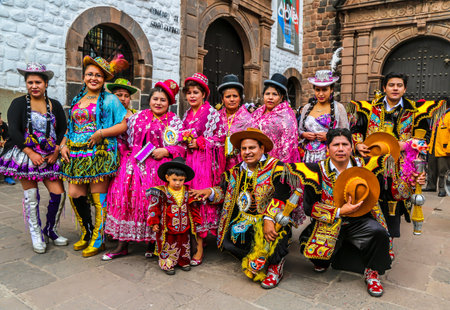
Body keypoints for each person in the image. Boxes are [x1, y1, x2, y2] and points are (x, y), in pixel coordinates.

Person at [284, 128, 424, 297]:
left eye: (345, 144)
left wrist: (411, 180)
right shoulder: (315, 170)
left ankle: (372, 272)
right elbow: (309, 208)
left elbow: (392, 194)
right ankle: (326, 257)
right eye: (336, 145)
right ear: (327, 148)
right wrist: (338, 211)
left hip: (360, 222)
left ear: (352, 147)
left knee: (379, 233)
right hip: (328, 224)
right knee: (317, 257)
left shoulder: (368, 166)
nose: (341, 149)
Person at [190, 128, 299, 289]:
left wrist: (269, 220)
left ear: (262, 149)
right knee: (229, 242)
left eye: (252, 148)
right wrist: (210, 192)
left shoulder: (277, 168)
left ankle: (275, 266)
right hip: (244, 220)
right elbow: (224, 191)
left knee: (274, 237)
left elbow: (281, 197)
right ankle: (255, 258)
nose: (247, 152)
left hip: (270, 220)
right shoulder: (236, 171)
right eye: (244, 149)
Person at [350, 72, 442, 255]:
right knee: (370, 198)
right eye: (391, 85)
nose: (395, 88)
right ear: (384, 87)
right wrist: (358, 143)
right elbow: (356, 130)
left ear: (405, 88)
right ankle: (369, 239)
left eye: (399, 85)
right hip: (372, 163)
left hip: (400, 167)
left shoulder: (416, 111)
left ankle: (388, 242)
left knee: (393, 203)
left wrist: (404, 145)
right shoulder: (369, 108)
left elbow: (423, 141)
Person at [103, 79, 185, 260]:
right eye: (155, 99)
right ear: (149, 100)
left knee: (151, 205)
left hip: (157, 169)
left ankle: (152, 242)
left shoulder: (174, 122)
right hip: (131, 168)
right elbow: (122, 138)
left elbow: (182, 147)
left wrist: (166, 150)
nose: (158, 103)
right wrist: (125, 155)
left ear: (169, 103)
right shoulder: (136, 117)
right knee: (127, 203)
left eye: (163, 100)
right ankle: (121, 244)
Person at [60, 55, 128, 257]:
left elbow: (124, 123)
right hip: (76, 155)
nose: (93, 78)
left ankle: (99, 240)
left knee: (99, 198)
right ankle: (87, 231)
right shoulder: (77, 99)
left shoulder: (111, 99)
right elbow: (71, 127)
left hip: (100, 154)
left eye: (98, 75)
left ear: (104, 79)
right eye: (90, 74)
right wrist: (63, 144)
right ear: (84, 77)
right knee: (74, 193)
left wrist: (101, 133)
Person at [0, 63, 67, 253]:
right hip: (25, 155)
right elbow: (13, 130)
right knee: (31, 197)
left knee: (59, 194)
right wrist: (30, 152)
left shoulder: (54, 104)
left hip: (50, 156)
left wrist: (56, 151)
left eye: (38, 82)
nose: (34, 86)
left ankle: (51, 229)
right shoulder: (18, 104)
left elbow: (63, 129)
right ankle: (36, 233)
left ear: (46, 83)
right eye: (30, 82)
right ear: (26, 83)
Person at [181, 73, 226, 266]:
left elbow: (221, 139)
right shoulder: (186, 114)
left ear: (204, 94)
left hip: (204, 163)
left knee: (199, 199)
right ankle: (190, 238)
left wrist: (201, 142)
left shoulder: (212, 114)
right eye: (189, 93)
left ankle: (200, 244)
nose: (192, 96)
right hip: (187, 162)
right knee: (187, 199)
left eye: (196, 92)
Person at [147, 157, 198, 275]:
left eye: (181, 180)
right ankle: (167, 263)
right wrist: (154, 222)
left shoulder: (187, 191)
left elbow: (193, 206)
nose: (178, 183)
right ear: (167, 177)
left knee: (184, 244)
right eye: (174, 179)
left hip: (184, 226)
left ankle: (183, 261)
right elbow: (154, 208)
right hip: (167, 227)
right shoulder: (161, 192)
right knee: (168, 245)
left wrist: (196, 220)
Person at [298, 70, 349, 163]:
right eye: (318, 90)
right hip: (307, 155)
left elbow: (346, 133)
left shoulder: (339, 108)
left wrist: (330, 136)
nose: (320, 94)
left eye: (324, 89)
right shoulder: (306, 108)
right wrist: (304, 134)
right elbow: (300, 130)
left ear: (331, 89)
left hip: (330, 155)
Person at [250, 73, 300, 163]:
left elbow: (288, 144)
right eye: (267, 94)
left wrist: (280, 166)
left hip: (275, 161)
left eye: (275, 94)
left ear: (281, 97)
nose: (270, 97)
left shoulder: (287, 116)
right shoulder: (257, 112)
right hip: (255, 157)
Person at [217, 74, 252, 170]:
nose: (232, 99)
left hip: (240, 163)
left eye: (235, 96)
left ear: (240, 98)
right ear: (222, 99)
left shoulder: (247, 119)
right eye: (228, 96)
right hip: (219, 163)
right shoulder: (216, 117)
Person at [425, 99, 449, 197]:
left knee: (443, 170)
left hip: (444, 149)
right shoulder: (438, 116)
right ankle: (431, 186)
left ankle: (443, 189)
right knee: (431, 168)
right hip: (434, 147)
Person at [0, 112, 16, 185]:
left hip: (2, 147)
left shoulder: (3, 125)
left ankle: (8, 177)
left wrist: (5, 141)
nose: (1, 120)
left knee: (8, 154)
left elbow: (8, 136)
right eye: (0, 118)